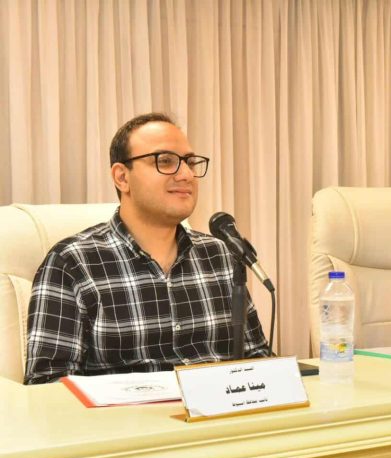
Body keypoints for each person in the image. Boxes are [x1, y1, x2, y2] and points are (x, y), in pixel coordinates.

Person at [24, 113, 270, 384]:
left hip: (220, 409)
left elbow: (257, 359)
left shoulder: (220, 255)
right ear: (122, 177)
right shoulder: (72, 264)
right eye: (165, 161)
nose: (186, 175)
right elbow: (47, 385)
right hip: (130, 411)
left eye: (190, 162)